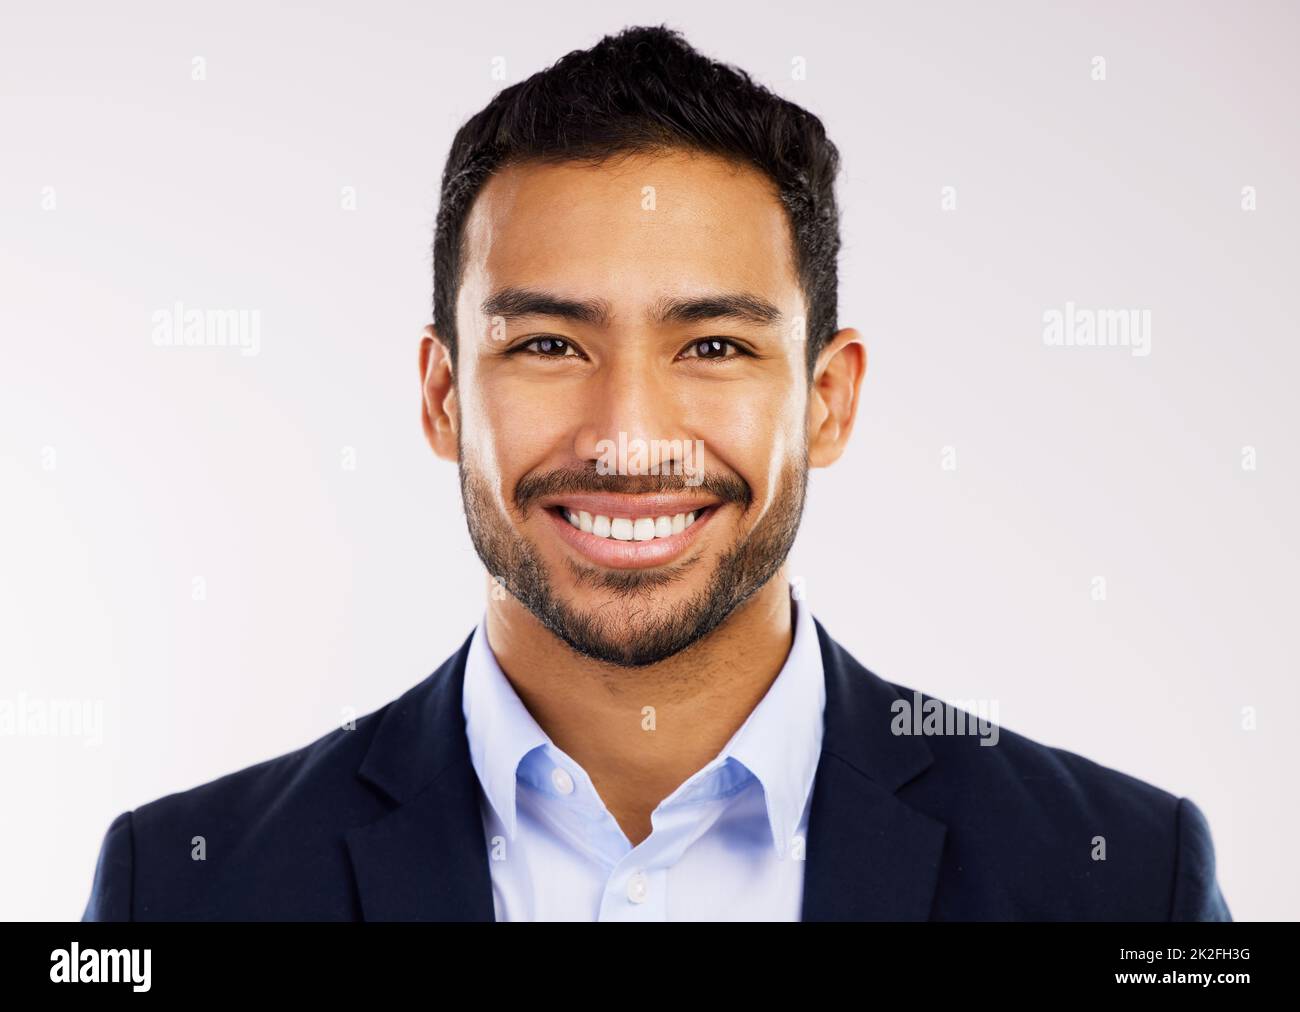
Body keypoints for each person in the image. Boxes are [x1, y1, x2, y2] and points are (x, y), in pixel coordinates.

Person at [82, 24, 1230, 921]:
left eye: (714, 346)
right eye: (547, 345)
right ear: (441, 397)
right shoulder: (181, 890)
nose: (629, 436)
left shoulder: (1126, 883)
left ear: (827, 398)